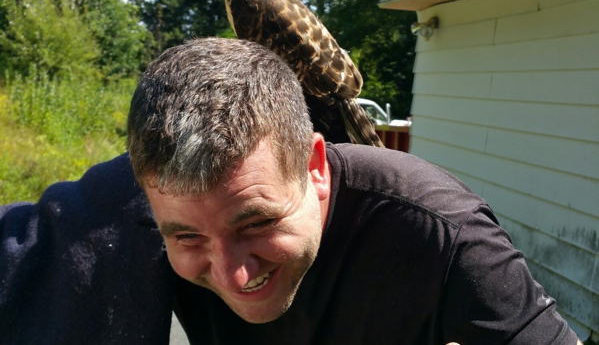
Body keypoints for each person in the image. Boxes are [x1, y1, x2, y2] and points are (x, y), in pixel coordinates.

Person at [0, 37, 581, 344]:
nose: (231, 275)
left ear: (316, 166)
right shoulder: (127, 204)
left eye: (254, 223)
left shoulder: (438, 228)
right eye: (186, 236)